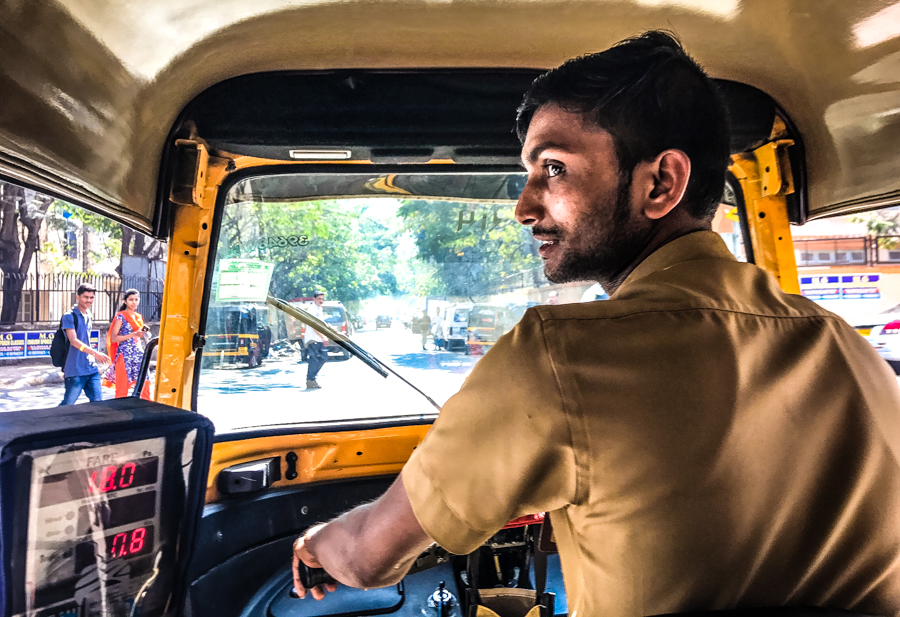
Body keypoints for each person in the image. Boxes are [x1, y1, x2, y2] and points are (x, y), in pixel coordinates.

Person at [290, 32, 900, 617]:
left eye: (553, 169)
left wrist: (320, 541)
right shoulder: (851, 350)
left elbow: (371, 558)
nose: (525, 207)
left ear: (660, 182)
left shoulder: (558, 356)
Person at [60, 283, 111, 406]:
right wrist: (95, 353)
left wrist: (93, 356)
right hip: (75, 369)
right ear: (78, 297)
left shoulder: (88, 314)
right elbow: (74, 341)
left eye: (91, 297)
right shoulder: (69, 316)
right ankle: (48, 423)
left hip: (91, 368)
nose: (89, 300)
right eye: (85, 297)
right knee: (67, 405)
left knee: (98, 404)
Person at [102, 289, 150, 399]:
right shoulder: (120, 316)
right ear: (125, 301)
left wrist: (144, 335)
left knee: (145, 384)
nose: (134, 302)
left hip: (138, 354)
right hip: (124, 355)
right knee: (122, 388)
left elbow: (139, 335)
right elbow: (114, 338)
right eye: (131, 300)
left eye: (136, 300)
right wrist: (133, 334)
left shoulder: (138, 317)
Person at [302, 291, 329, 390]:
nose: (321, 301)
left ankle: (311, 379)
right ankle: (310, 380)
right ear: (314, 299)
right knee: (315, 360)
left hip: (318, 339)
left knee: (322, 358)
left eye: (322, 299)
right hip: (313, 339)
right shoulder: (312, 309)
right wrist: (323, 337)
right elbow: (314, 325)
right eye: (319, 299)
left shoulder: (319, 309)